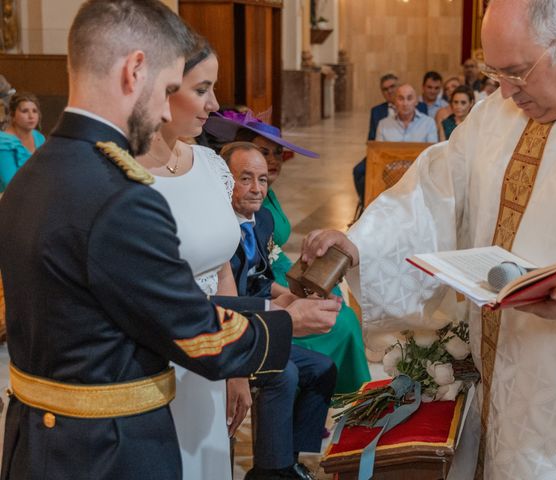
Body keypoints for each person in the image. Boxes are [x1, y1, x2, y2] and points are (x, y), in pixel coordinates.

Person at [301, 0, 556, 478]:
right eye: (494, 72)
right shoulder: (501, 109)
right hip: (502, 361)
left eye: (517, 73)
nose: (504, 92)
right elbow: (438, 186)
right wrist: (364, 241)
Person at [0, 1, 336, 479]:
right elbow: (192, 329)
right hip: (110, 449)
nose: (163, 108)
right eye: (169, 88)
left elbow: (119, 309)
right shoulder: (120, 196)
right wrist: (286, 322)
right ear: (135, 70)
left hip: (37, 441)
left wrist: (265, 310)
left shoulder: (33, 173)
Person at [204, 112, 371, 394]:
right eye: (263, 152)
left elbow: (264, 256)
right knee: (340, 324)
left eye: (277, 154)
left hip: (272, 273)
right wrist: (284, 300)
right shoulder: (230, 211)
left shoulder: (265, 197)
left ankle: (342, 399)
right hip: (250, 293)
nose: (271, 161)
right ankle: (338, 395)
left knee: (340, 309)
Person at [222, 141, 337, 480]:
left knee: (323, 369)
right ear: (224, 181)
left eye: (263, 180)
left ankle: (293, 457)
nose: (257, 189)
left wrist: (291, 296)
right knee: (283, 373)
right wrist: (279, 307)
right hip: (229, 326)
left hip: (261, 319)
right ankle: (271, 472)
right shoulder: (215, 231)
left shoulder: (263, 221)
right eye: (246, 179)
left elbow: (260, 277)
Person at [352, 73, 399, 205]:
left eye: (392, 86)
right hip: (381, 152)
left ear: (398, 86)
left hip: (402, 152)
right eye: (385, 89)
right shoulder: (377, 111)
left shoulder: (413, 107)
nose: (389, 91)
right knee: (358, 171)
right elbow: (372, 137)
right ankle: (366, 203)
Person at [0, 92, 45, 192]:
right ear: (12, 115)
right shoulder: (3, 143)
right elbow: (10, 184)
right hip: (8, 199)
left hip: (36, 194)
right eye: (25, 111)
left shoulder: (39, 137)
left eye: (34, 111)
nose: (31, 116)